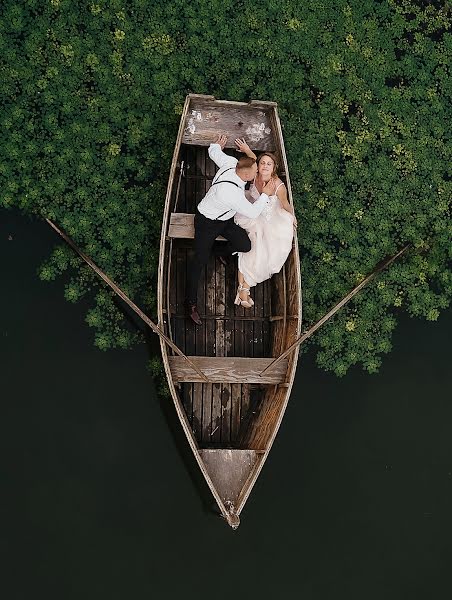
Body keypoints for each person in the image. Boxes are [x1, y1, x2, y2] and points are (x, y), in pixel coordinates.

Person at [185, 134, 277, 325]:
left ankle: (221, 254)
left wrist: (216, 145)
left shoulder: (232, 163)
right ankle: (191, 304)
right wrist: (265, 195)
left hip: (225, 220)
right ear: (245, 174)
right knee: (198, 262)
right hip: (206, 222)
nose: (256, 174)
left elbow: (213, 153)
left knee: (244, 244)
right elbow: (252, 212)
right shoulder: (231, 193)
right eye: (255, 172)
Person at [233, 138, 297, 307]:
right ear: (258, 166)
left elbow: (285, 204)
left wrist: (293, 217)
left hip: (272, 219)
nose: (265, 166)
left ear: (274, 167)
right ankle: (243, 290)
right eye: (263, 163)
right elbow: (254, 157)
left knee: (262, 251)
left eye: (269, 164)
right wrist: (247, 149)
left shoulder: (278, 186)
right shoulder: (255, 175)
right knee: (252, 245)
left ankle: (244, 288)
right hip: (254, 213)